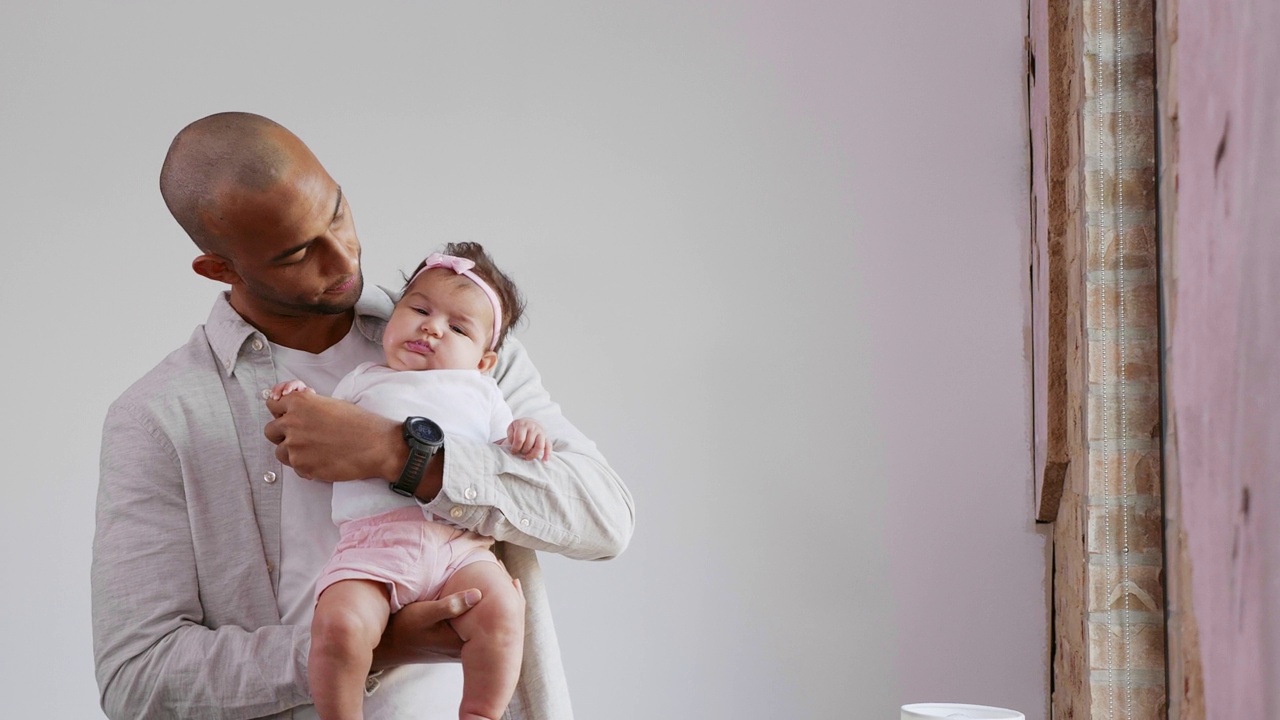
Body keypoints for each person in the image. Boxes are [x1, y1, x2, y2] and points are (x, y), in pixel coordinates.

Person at [90, 112, 634, 720]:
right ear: (220, 268)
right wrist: (368, 646)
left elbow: (604, 517)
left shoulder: (463, 352)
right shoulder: (159, 418)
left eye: (339, 212)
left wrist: (401, 456)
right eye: (298, 252)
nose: (342, 257)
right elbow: (136, 680)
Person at [274, 244, 547, 720]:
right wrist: (299, 398)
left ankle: (480, 712)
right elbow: (322, 429)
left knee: (504, 610)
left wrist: (525, 432)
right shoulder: (363, 379)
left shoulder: (482, 392)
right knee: (338, 626)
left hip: (460, 547)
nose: (431, 326)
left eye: (458, 327)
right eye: (419, 309)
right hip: (373, 547)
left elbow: (510, 462)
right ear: (393, 317)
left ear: (484, 362)